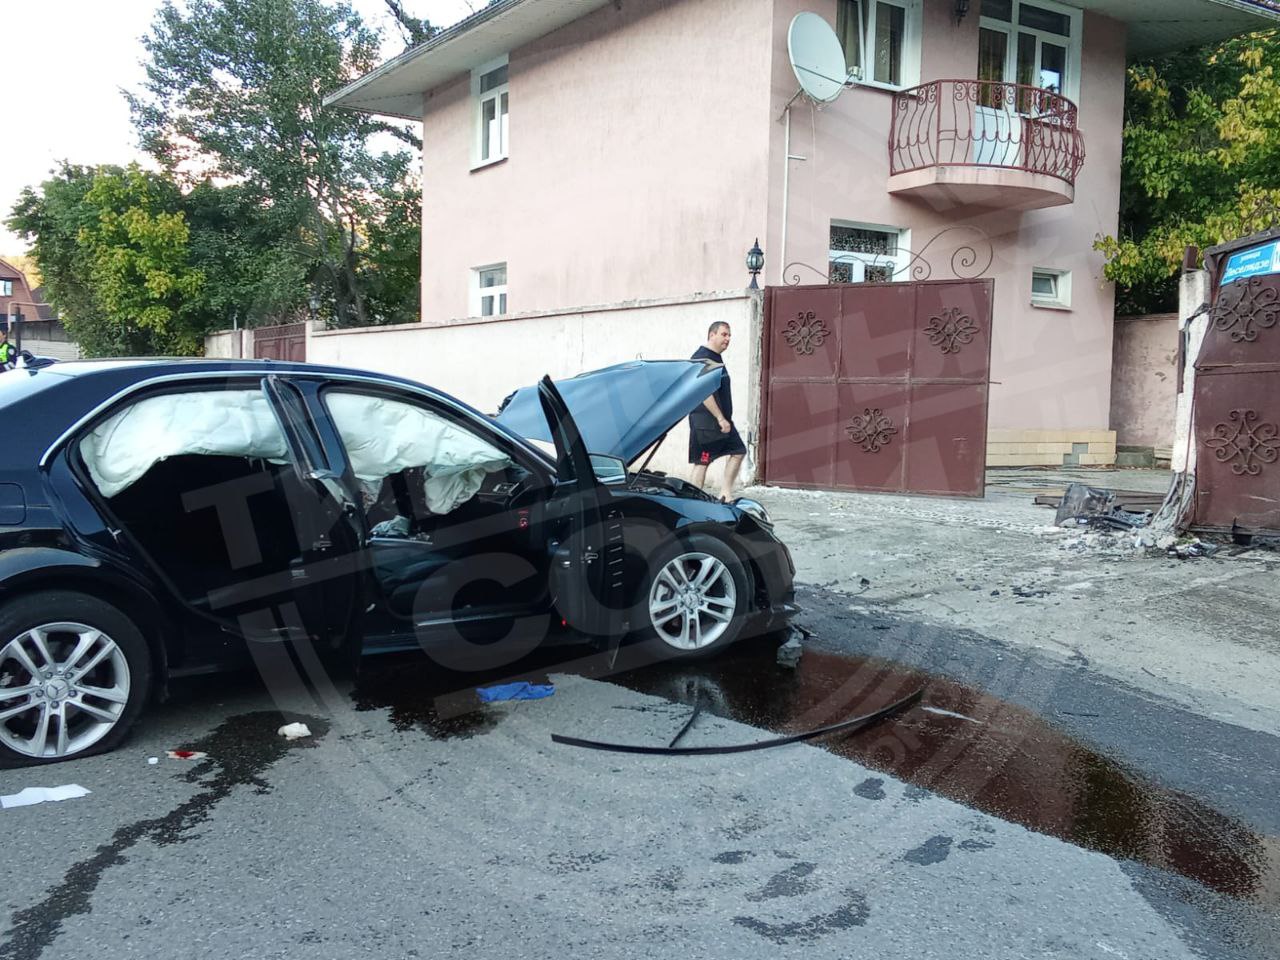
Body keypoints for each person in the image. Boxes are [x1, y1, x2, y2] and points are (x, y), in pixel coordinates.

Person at [688, 321, 745, 501]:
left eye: (729, 335)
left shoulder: (715, 357)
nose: (728, 339)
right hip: (708, 424)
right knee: (702, 461)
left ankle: (725, 494)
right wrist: (720, 418)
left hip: (720, 423)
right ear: (712, 335)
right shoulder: (703, 357)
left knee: (738, 451)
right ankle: (694, 500)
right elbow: (703, 391)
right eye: (724, 334)